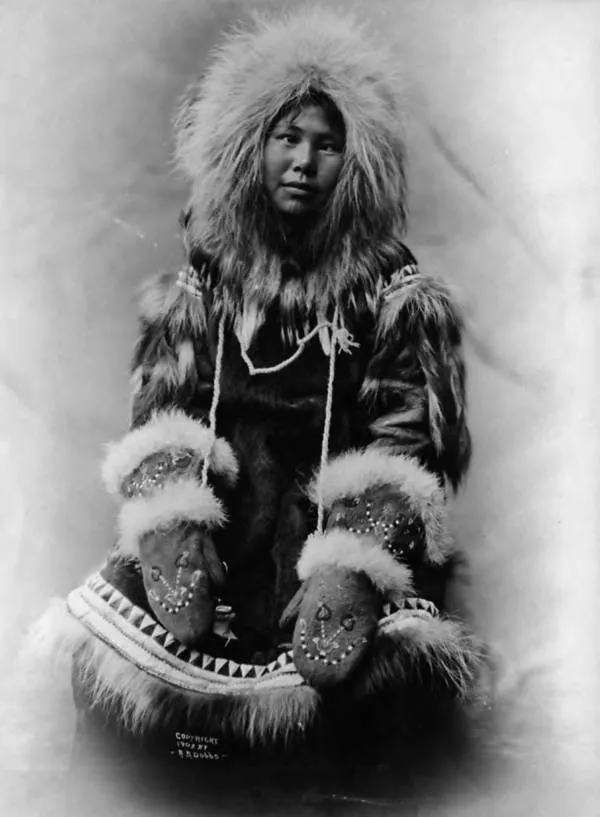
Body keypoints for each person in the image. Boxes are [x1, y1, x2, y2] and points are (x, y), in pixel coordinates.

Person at [37, 7, 484, 762]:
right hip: (227, 527)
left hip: (326, 528)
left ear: (359, 160)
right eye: (287, 138)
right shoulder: (207, 276)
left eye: (328, 143)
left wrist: (354, 564)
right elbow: (161, 409)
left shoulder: (394, 290)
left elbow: (409, 445)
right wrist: (174, 522)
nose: (304, 162)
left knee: (377, 705)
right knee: (112, 685)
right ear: (252, 147)